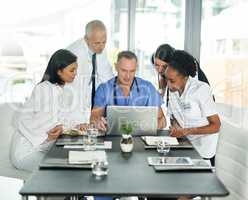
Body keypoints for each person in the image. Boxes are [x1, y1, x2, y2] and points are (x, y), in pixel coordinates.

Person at [10, 49, 88, 172]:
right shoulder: (45, 89)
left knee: (77, 162)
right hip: (26, 152)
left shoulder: (60, 90)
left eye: (76, 70)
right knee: (67, 169)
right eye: (72, 70)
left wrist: (77, 124)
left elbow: (60, 118)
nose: (75, 73)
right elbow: (27, 120)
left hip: (42, 148)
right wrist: (58, 130)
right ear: (59, 71)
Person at [165, 50, 221, 165]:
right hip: (186, 147)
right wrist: (175, 126)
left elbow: (216, 126)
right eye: (166, 79)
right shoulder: (173, 90)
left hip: (203, 151)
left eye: (172, 80)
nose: (168, 84)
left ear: (185, 77)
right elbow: (173, 115)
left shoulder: (201, 90)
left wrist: (186, 131)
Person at [90, 50, 166, 131]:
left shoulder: (148, 88)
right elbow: (94, 117)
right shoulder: (104, 89)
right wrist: (97, 122)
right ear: (116, 67)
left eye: (132, 71)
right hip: (110, 139)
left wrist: (152, 126)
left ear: (136, 69)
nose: (128, 76)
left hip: (141, 139)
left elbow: (162, 120)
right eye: (124, 70)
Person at [66, 20, 114, 123]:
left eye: (104, 42)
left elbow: (107, 77)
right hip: (72, 112)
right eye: (97, 43)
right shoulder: (74, 53)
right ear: (86, 39)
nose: (101, 46)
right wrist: (80, 121)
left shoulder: (100, 50)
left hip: (92, 110)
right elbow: (73, 91)